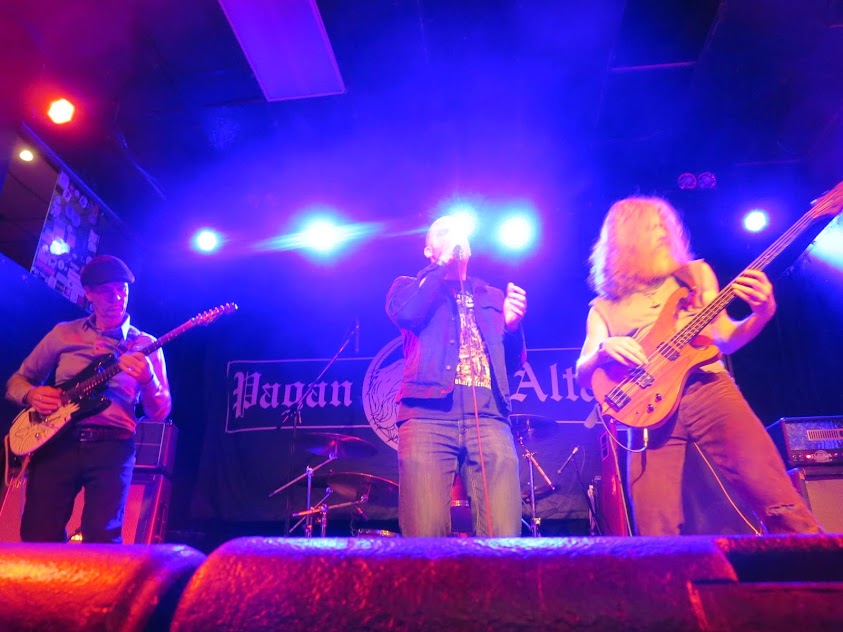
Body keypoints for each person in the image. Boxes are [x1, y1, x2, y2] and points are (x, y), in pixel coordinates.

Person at [575, 196, 821, 536]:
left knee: (773, 491)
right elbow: (583, 370)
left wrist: (762, 313)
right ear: (627, 237)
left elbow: (726, 338)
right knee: (653, 525)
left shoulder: (695, 275)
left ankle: (817, 563)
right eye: (652, 226)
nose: (664, 232)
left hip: (709, 389)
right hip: (648, 409)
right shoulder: (604, 307)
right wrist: (604, 350)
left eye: (665, 225)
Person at [5, 255, 171, 543]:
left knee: (102, 538)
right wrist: (32, 393)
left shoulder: (145, 344)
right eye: (107, 291)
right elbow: (16, 381)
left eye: (122, 290)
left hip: (113, 445)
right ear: (89, 293)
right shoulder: (63, 333)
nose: (117, 298)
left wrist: (149, 379)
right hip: (56, 439)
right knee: (38, 533)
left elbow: (161, 411)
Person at [386, 216, 528, 537]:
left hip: (489, 418)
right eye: (444, 231)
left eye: (460, 230)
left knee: (503, 535)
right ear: (428, 250)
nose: (455, 235)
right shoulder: (409, 286)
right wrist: (441, 266)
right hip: (427, 417)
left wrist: (512, 327)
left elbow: (511, 364)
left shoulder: (491, 295)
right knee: (424, 535)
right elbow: (406, 314)